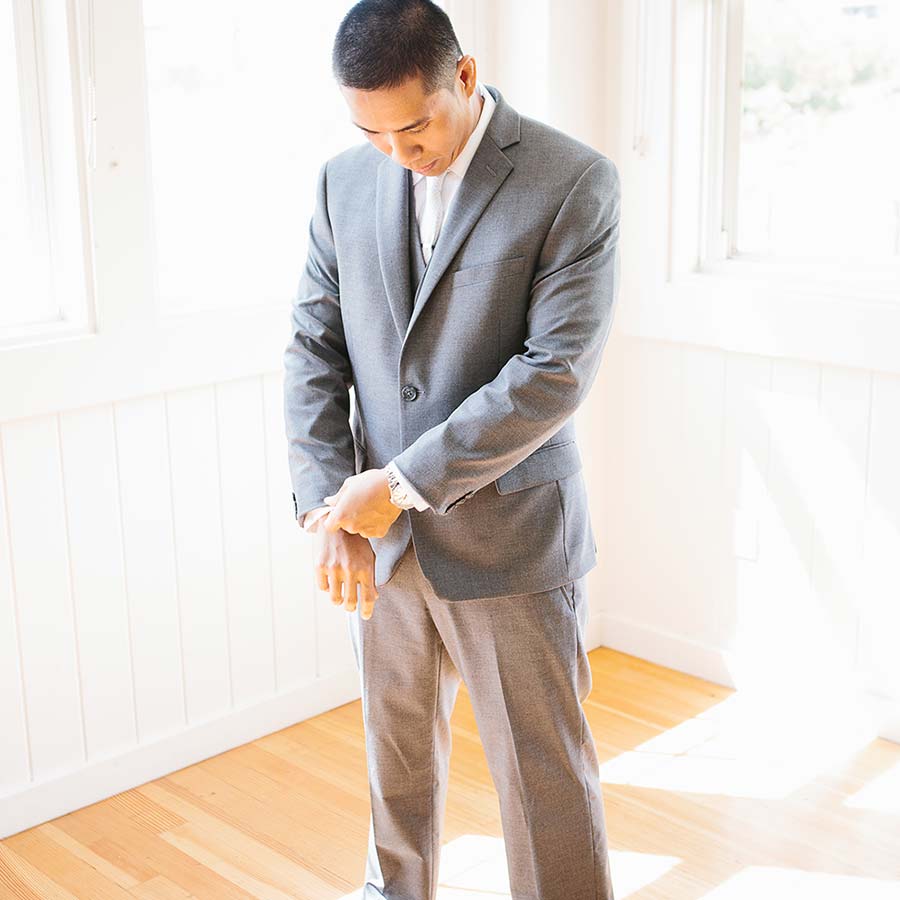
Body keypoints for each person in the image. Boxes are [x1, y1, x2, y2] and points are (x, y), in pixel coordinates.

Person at [283, 1, 621, 897]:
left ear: (463, 78)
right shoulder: (339, 184)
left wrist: (394, 485)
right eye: (369, 129)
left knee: (542, 781)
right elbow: (313, 350)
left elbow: (552, 376)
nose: (395, 150)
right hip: (376, 545)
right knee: (393, 771)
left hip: (510, 538)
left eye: (414, 125)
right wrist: (332, 508)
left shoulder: (572, 180)